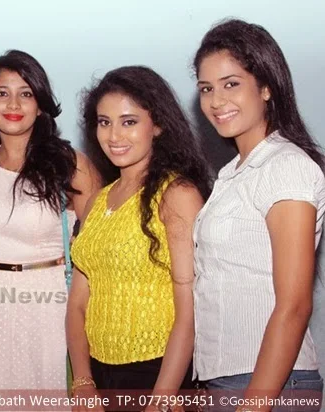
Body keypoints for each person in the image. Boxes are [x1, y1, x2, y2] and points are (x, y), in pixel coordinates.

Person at [192, 18, 324, 410]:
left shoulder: (285, 165)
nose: (216, 101)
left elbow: (294, 305)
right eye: (206, 88)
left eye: (231, 84)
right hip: (229, 378)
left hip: (268, 383)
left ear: (266, 87)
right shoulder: (232, 173)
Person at [66, 66, 211, 410]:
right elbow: (77, 304)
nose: (114, 135)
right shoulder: (98, 200)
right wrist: (83, 382)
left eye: (129, 121)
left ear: (157, 125)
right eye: (104, 122)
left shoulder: (176, 195)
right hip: (98, 377)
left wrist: (162, 397)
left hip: (160, 374)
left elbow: (189, 311)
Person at [0, 49, 100, 395]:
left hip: (49, 305)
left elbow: (100, 247)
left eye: (26, 93)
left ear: (40, 105)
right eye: (2, 93)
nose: (14, 104)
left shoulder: (70, 165)